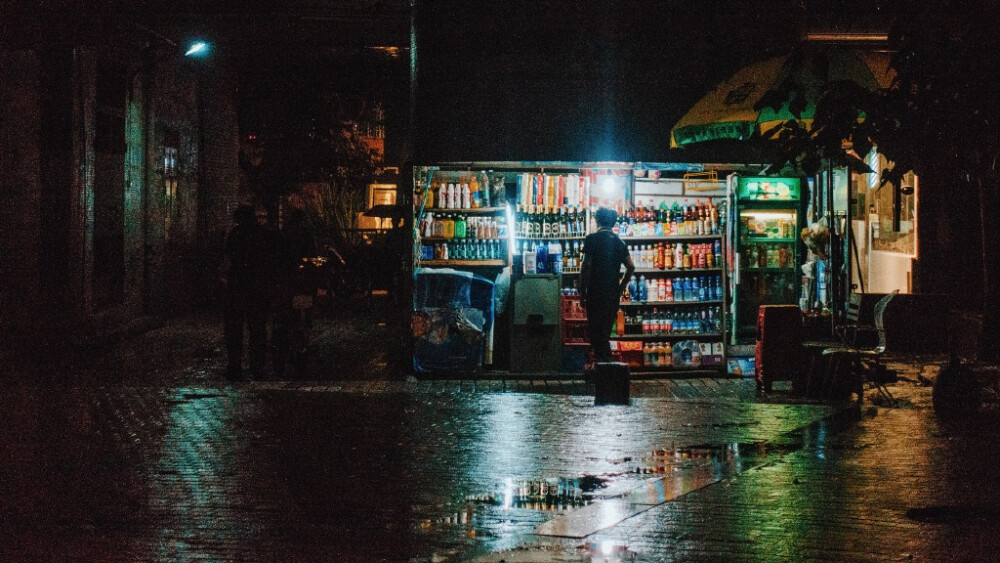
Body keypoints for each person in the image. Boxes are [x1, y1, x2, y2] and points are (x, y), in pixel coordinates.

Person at [222, 203, 279, 381]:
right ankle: (257, 367)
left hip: (238, 287)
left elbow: (228, 256)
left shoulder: (236, 234)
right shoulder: (262, 234)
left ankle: (235, 367)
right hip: (257, 288)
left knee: (235, 330)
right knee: (257, 330)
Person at [579, 207, 635, 363]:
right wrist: (621, 287)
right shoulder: (619, 242)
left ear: (597, 221)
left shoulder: (591, 239)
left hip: (595, 293)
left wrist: (582, 291)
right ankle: (604, 369)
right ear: (614, 223)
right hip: (611, 294)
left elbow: (586, 267)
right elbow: (631, 266)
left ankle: (607, 370)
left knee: (596, 334)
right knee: (604, 333)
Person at [272, 207, 318, 379]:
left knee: (286, 319)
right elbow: (312, 257)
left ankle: (287, 354)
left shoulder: (284, 234)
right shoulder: (306, 235)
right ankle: (299, 352)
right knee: (301, 319)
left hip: (288, 284)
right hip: (302, 284)